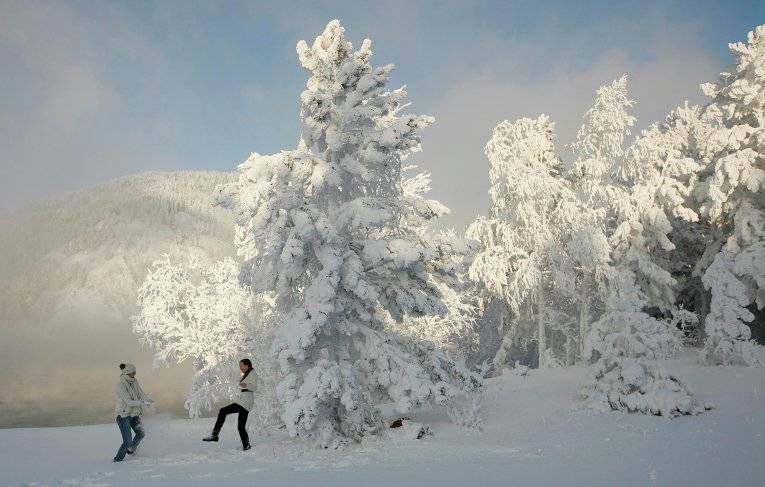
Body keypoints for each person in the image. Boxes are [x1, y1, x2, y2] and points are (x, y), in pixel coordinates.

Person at [202, 359, 255, 451]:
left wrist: (245, 385)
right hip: (245, 401)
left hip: (245, 402)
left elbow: (255, 386)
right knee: (241, 427)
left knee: (223, 411)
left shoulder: (252, 373)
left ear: (247, 365)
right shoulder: (248, 374)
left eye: (241, 366)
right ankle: (246, 446)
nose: (240, 368)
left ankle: (215, 435)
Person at [113, 363, 153, 462]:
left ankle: (131, 450)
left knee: (141, 433)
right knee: (127, 442)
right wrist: (142, 403)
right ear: (127, 373)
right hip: (123, 415)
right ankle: (117, 460)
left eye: (135, 372)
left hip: (134, 413)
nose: (135, 374)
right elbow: (128, 402)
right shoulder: (120, 386)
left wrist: (148, 400)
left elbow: (141, 394)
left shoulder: (134, 381)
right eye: (133, 372)